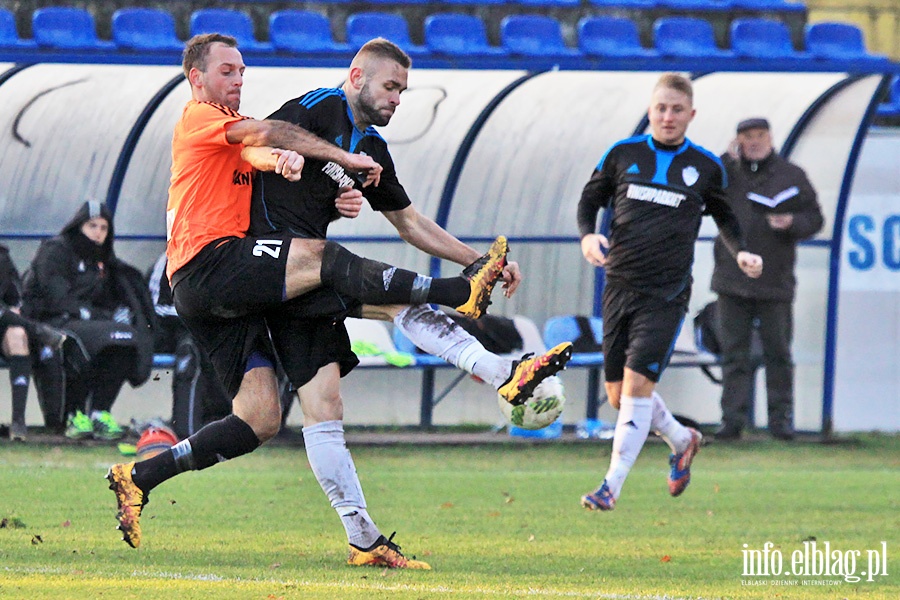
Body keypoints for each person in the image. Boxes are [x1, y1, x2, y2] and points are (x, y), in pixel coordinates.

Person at [105, 33, 511, 554]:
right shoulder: (199, 116)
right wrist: (326, 157)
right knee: (325, 261)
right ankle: (461, 296)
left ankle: (140, 478)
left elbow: (258, 150)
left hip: (232, 289)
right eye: (227, 70)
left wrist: (294, 168)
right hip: (210, 264)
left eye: (242, 71)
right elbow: (272, 131)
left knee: (261, 418)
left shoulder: (232, 132)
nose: (238, 79)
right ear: (196, 77)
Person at [251, 38, 574, 569]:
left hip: (305, 281)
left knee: (324, 410)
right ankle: (503, 374)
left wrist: (479, 260)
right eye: (390, 85)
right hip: (276, 262)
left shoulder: (372, 150)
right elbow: (258, 143)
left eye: (403, 89)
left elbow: (410, 222)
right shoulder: (316, 108)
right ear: (356, 76)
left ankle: (362, 538)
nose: (398, 97)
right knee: (400, 302)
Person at [576, 73, 764, 511]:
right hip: (619, 286)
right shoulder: (622, 154)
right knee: (619, 396)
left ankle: (610, 486)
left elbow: (727, 220)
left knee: (639, 388)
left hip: (666, 293)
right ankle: (682, 439)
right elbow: (590, 202)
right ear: (650, 109)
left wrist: (741, 254)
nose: (667, 116)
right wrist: (587, 236)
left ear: (691, 114)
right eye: (661, 108)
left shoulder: (706, 167)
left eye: (677, 109)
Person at [711, 118, 823, 442]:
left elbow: (815, 217)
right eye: (747, 136)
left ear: (771, 138)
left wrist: (792, 222)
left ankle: (781, 421)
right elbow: (704, 189)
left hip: (776, 281)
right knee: (734, 354)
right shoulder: (727, 171)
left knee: (778, 354)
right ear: (738, 141)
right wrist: (725, 159)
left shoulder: (791, 175)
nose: (755, 142)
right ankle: (731, 421)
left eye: (760, 135)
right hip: (732, 280)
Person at [22, 201, 156, 441]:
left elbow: (106, 297)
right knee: (83, 344)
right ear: (78, 226)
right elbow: (56, 299)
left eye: (104, 228)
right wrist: (98, 316)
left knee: (126, 340)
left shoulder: (103, 260)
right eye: (92, 226)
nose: (98, 233)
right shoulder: (56, 250)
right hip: (49, 323)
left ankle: (98, 413)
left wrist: (119, 311)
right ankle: (73, 415)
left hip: (89, 324)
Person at [147, 252, 231, 439]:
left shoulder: (222, 259)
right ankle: (187, 431)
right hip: (169, 332)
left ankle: (227, 419)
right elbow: (154, 309)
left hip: (210, 332)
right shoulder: (167, 260)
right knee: (190, 351)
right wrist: (194, 315)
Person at [1, 244, 68, 441]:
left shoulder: (2, 258)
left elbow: (15, 297)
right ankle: (38, 330)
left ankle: (18, 422)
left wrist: (14, 309)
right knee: (21, 326)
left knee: (17, 335)